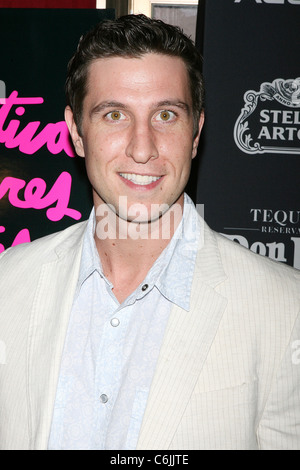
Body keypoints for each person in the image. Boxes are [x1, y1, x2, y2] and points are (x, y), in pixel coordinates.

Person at [0, 14, 299, 451]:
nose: (143, 148)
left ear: (196, 133)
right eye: (114, 114)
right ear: (76, 133)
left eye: (166, 114)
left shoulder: (284, 306)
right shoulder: (9, 282)